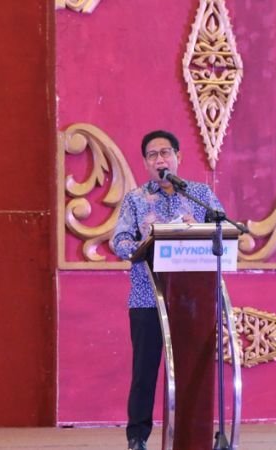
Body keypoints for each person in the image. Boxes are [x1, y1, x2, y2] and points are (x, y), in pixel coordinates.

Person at [111, 130, 223, 450]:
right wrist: (143, 245)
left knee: (196, 369)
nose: (160, 159)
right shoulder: (136, 199)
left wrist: (197, 228)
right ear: (146, 163)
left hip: (193, 301)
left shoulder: (199, 194)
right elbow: (120, 240)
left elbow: (221, 229)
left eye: (165, 152)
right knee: (144, 371)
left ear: (178, 157)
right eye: (152, 155)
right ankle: (137, 438)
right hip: (148, 296)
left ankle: (197, 434)